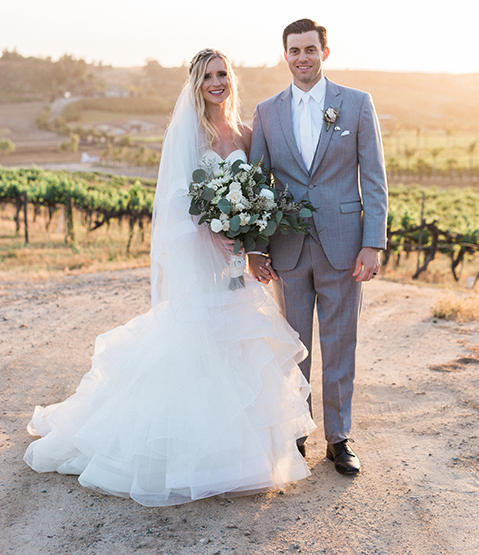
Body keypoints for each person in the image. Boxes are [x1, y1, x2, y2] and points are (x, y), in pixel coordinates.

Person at [24, 48, 315, 507]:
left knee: (239, 345)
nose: (216, 82)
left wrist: (248, 238)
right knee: (199, 342)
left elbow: (260, 193)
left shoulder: (244, 132)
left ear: (231, 80)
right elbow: (178, 204)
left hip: (236, 259)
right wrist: (216, 232)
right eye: (207, 77)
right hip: (203, 258)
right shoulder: (187, 133)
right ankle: (191, 453)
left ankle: (243, 455)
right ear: (196, 85)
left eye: (222, 74)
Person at [248, 19, 388, 475]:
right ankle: (295, 434)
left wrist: (373, 243)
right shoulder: (267, 112)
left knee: (340, 343)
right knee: (292, 347)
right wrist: (254, 247)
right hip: (286, 249)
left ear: (325, 52)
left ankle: (339, 439)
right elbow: (256, 186)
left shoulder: (357, 104)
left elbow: (374, 180)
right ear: (284, 55)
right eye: (294, 50)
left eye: (310, 49)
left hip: (345, 247)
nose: (302, 57)